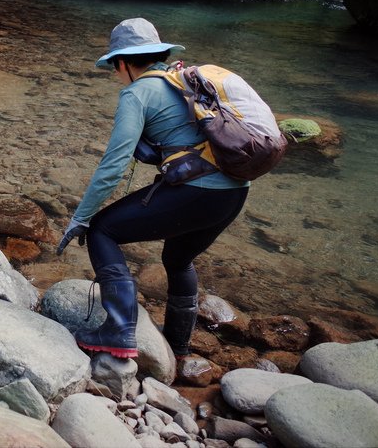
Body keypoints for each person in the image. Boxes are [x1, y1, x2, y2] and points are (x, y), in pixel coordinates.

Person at [57, 18, 250, 359]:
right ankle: (177, 348)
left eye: (115, 68)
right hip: (235, 191)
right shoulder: (185, 81)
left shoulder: (136, 92)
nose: (116, 76)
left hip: (199, 192)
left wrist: (81, 217)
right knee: (177, 258)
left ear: (123, 62)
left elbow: (113, 166)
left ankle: (118, 331)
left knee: (103, 230)